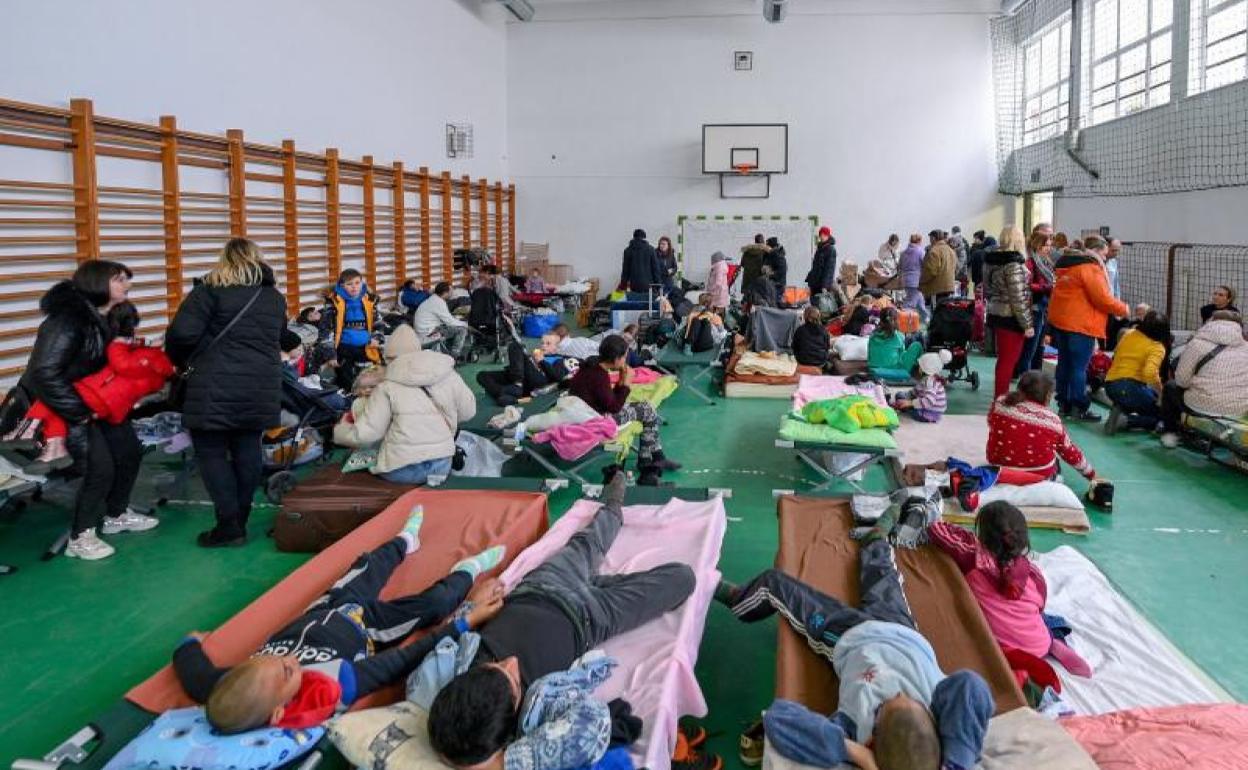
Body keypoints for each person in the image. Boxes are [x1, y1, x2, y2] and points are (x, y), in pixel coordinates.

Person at [426, 474, 696, 770]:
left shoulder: (444, 681)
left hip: (542, 585)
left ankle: (615, 492)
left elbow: (436, 646)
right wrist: (503, 764)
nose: (512, 661)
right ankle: (600, 581)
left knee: (593, 537)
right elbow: (592, 725)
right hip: (590, 617)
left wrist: (471, 606)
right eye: (514, 680)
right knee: (683, 578)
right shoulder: (537, 714)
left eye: (495, 663)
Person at [173, 511, 507, 733]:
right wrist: (466, 621)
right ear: (278, 712)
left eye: (270, 657)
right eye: (287, 670)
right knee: (436, 603)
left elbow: (194, 674)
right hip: (367, 624)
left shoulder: (231, 688)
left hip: (327, 606)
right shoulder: (337, 681)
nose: (287, 659)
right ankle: (468, 569)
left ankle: (406, 540)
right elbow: (406, 657)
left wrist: (189, 643)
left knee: (367, 565)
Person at [714, 516, 993, 770]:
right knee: (882, 569)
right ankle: (875, 538)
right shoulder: (942, 718)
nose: (898, 694)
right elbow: (971, 687)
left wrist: (855, 753)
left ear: (871, 740)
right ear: (935, 723)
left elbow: (779, 718)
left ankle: (734, 596)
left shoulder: (853, 727)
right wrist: (958, 761)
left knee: (775, 583)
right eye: (910, 700)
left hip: (848, 636)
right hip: (901, 628)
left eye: (887, 707)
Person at [0, 260, 154, 560]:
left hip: (95, 403)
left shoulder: (109, 316)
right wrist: (79, 411)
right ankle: (80, 537)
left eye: (127, 279)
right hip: (56, 410)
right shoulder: (67, 321)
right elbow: (45, 374)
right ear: (98, 283)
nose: (128, 284)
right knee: (101, 467)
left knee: (129, 451)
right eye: (120, 279)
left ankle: (115, 515)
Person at [167, 239, 286, 548]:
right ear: (257, 260)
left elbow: (181, 334)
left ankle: (229, 525)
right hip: (260, 383)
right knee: (248, 449)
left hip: (213, 382)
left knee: (211, 453)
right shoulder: (273, 297)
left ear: (223, 261)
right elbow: (279, 336)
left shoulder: (207, 291)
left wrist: (185, 361)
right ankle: (239, 521)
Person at [926, 502, 1092, 678]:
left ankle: (1036, 652)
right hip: (1038, 644)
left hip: (1004, 650)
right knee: (1043, 618)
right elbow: (1040, 604)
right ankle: (1055, 644)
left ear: (982, 536)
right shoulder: (1033, 574)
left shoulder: (973, 559)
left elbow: (937, 531)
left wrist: (935, 517)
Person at [10, 302, 173, 475]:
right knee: (57, 410)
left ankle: (28, 431)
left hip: (100, 395)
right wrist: (145, 343)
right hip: (104, 398)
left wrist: (124, 344)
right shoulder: (153, 358)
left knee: (51, 400)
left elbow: (122, 364)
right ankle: (54, 448)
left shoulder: (146, 356)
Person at [334, 325, 475, 485]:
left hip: (401, 470)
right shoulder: (449, 374)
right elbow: (468, 413)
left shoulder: (386, 386)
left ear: (389, 358)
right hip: (442, 465)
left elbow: (368, 435)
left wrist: (340, 431)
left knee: (356, 456)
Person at [567, 335, 678, 486]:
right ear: (617, 359)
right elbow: (613, 407)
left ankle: (652, 459)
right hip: (595, 420)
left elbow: (607, 398)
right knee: (647, 410)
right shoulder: (599, 376)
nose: (626, 360)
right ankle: (650, 461)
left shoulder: (592, 365)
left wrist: (620, 381)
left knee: (646, 408)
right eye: (625, 357)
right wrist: (626, 384)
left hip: (587, 412)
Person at [1047, 236, 1128, 421]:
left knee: (1064, 364)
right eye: (1105, 255)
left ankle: (1064, 403)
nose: (1106, 259)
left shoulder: (1068, 267)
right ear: (1097, 251)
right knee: (1079, 368)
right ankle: (1079, 406)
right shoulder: (1090, 268)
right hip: (1081, 325)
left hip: (1062, 323)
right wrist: (1124, 309)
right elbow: (1102, 299)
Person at [987, 371, 1098, 486]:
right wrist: (1092, 475)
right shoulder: (1052, 421)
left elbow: (991, 423)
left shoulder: (1000, 403)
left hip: (998, 467)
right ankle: (1053, 480)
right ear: (1048, 396)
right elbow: (1070, 453)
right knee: (1055, 456)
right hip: (1036, 476)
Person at [1159, 310, 1248, 448]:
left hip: (1205, 406)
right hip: (1240, 408)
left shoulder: (1197, 344)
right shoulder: (1245, 347)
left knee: (1170, 387)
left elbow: (1182, 381)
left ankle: (1170, 435)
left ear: (1211, 322)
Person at [983, 226, 1034, 399]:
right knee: (1008, 361)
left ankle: (1000, 397)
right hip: (1011, 318)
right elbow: (1018, 298)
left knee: (1003, 361)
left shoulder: (992, 262)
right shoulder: (1013, 264)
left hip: (997, 314)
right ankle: (1001, 400)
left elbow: (989, 290)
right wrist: (1027, 324)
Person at [1104, 311, 1170, 434]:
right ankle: (1125, 420)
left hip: (1110, 385)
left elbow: (1116, 353)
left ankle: (1121, 407)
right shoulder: (1157, 347)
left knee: (1146, 398)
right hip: (1130, 387)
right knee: (1161, 415)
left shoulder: (1128, 334)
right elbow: (1149, 373)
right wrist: (1161, 393)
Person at [318, 268, 381, 391]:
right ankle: (348, 401)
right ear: (341, 286)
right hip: (343, 347)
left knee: (367, 378)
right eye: (349, 284)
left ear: (362, 283)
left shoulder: (370, 300)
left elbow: (378, 322)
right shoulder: (334, 303)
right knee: (345, 381)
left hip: (366, 346)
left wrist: (377, 337)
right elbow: (325, 330)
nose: (354, 287)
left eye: (357, 283)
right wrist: (330, 354)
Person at [477, 336, 567, 406]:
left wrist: (541, 361)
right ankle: (502, 393)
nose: (543, 346)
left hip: (537, 379)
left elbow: (558, 377)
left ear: (556, 348)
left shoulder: (558, 359)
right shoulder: (537, 355)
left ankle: (517, 385)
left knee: (515, 345)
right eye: (542, 343)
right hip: (521, 377)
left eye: (548, 344)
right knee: (482, 375)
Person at [1018, 231, 1056, 375]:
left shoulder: (1045, 262)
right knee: (1030, 349)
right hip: (1034, 308)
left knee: (1038, 348)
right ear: (1038, 245)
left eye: (1049, 245)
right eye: (1046, 245)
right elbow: (1027, 285)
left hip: (1043, 308)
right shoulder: (1030, 262)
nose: (1049, 248)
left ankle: (1033, 380)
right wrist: (1048, 286)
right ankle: (1025, 380)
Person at [414, 281, 470, 359]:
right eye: (451, 291)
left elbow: (445, 319)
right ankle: (454, 356)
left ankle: (448, 351)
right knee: (462, 329)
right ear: (445, 292)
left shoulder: (433, 299)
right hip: (429, 333)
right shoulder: (438, 302)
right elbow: (450, 322)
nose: (452, 293)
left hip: (423, 331)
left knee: (451, 327)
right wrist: (465, 324)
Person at [893, 350, 951, 423]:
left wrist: (910, 403)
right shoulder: (927, 379)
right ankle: (906, 406)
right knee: (900, 395)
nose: (918, 367)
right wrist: (906, 397)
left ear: (924, 369)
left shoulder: (930, 382)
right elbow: (915, 391)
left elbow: (929, 401)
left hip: (930, 412)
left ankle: (908, 408)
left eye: (919, 366)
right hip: (929, 408)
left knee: (913, 411)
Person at [868, 308, 923, 377]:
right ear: (896, 320)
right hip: (894, 370)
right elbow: (901, 357)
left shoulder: (872, 336)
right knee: (917, 345)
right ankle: (920, 371)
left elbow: (869, 356)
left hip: (874, 369)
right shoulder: (899, 336)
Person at [920, 230, 957, 308]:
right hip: (949, 285)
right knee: (945, 309)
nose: (929, 240)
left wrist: (922, 281)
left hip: (937, 287)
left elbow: (931, 271)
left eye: (930, 238)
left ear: (933, 238)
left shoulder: (934, 251)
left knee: (937, 310)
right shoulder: (950, 250)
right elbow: (955, 267)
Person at [620, 229, 661, 293]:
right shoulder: (651, 249)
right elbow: (655, 269)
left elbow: (625, 270)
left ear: (634, 237)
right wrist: (658, 285)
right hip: (649, 284)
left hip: (634, 284)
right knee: (648, 302)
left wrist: (623, 286)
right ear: (644, 238)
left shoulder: (627, 250)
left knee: (636, 301)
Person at [898, 233, 928, 322]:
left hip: (906, 280)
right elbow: (926, 265)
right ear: (919, 241)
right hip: (916, 280)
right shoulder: (920, 251)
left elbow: (900, 266)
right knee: (909, 304)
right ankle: (903, 322)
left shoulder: (903, 253)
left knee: (920, 300)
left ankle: (925, 319)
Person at [806, 227, 838, 298]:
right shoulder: (819, 249)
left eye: (824, 235)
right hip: (815, 283)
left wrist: (825, 286)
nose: (822, 236)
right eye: (821, 235)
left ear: (828, 236)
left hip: (822, 284)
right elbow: (815, 266)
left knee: (821, 304)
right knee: (813, 303)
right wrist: (809, 279)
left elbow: (829, 269)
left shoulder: (831, 250)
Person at [765, 236, 788, 304]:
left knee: (775, 305)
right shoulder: (774, 254)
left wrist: (771, 275)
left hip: (778, 285)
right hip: (776, 284)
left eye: (767, 245)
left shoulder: (777, 255)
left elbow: (782, 270)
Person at [948, 226, 970, 290]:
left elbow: (959, 263)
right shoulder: (964, 240)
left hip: (959, 272)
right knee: (963, 288)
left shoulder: (955, 239)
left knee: (959, 290)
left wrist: (955, 271)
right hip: (963, 271)